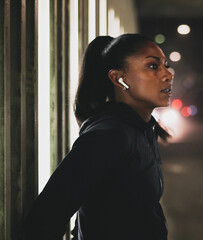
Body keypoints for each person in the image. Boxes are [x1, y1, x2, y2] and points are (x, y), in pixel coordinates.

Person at [23, 33, 174, 240]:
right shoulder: (109, 136)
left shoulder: (142, 129)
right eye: (153, 66)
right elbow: (46, 217)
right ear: (119, 78)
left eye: (166, 65)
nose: (168, 74)